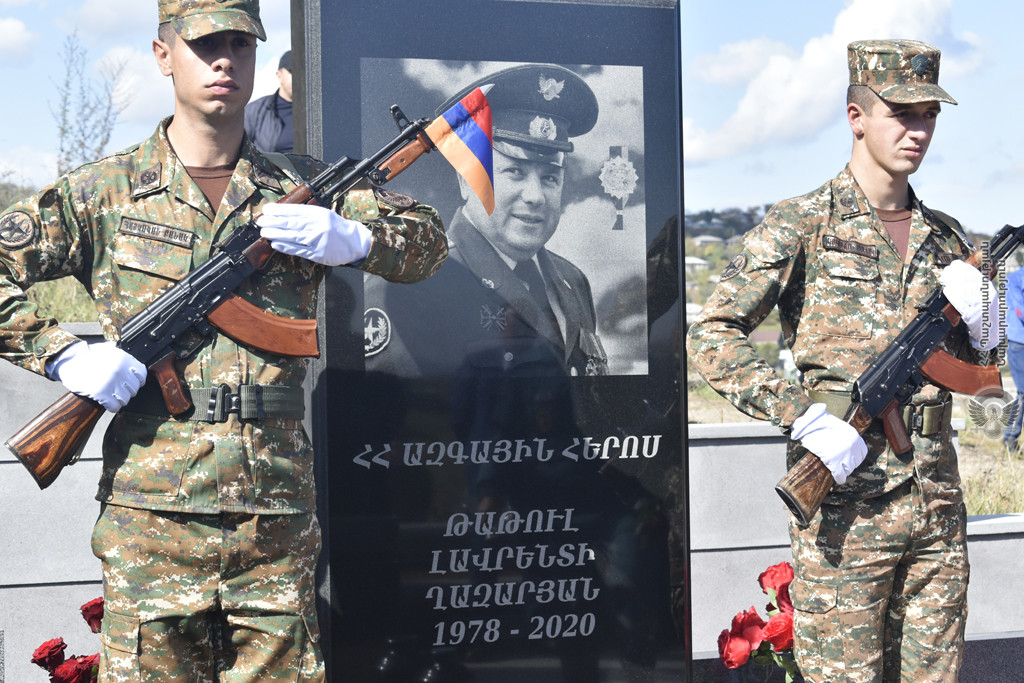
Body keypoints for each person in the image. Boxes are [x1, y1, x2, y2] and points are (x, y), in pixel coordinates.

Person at [0, 1, 447, 681]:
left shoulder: (300, 191)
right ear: (161, 55)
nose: (223, 62)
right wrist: (62, 352)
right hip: (152, 524)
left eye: (240, 45)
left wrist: (357, 239)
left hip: (274, 524)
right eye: (205, 44)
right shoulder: (103, 193)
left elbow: (429, 244)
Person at [686, 39, 1003, 682]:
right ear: (856, 116)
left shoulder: (948, 237)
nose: (918, 130)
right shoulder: (800, 223)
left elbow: (982, 367)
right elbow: (712, 333)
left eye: (929, 116)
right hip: (845, 513)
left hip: (936, 506)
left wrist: (985, 323)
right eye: (902, 113)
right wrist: (799, 414)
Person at [363, 63, 609, 378]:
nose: (534, 196)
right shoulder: (409, 280)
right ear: (467, 180)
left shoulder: (572, 281)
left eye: (550, 177)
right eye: (515, 172)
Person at [244, 49, 293, 152]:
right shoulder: (255, 111)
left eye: (303, 71)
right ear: (279, 75)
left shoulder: (321, 112)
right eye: (292, 71)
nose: (299, 77)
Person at [1003, 265, 1024, 452]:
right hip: (1019, 343)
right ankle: (1010, 439)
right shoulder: (1014, 279)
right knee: (1023, 392)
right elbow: (1020, 311)